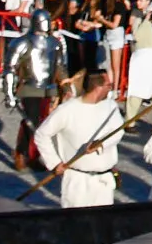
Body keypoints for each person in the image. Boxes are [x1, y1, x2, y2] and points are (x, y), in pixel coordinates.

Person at [35, 70, 127, 208]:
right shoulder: (67, 110)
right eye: (109, 85)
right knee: (76, 224)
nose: (111, 88)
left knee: (101, 226)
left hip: (103, 182)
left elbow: (118, 131)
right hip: (77, 181)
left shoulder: (110, 106)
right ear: (98, 87)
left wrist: (101, 144)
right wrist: (54, 163)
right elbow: (42, 134)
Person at [6, 6, 71, 170]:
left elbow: (59, 67)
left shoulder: (55, 43)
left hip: (49, 88)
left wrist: (66, 86)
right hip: (29, 87)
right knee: (32, 122)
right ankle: (22, 153)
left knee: (45, 124)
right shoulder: (22, 42)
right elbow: (9, 69)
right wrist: (9, 94)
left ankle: (34, 155)